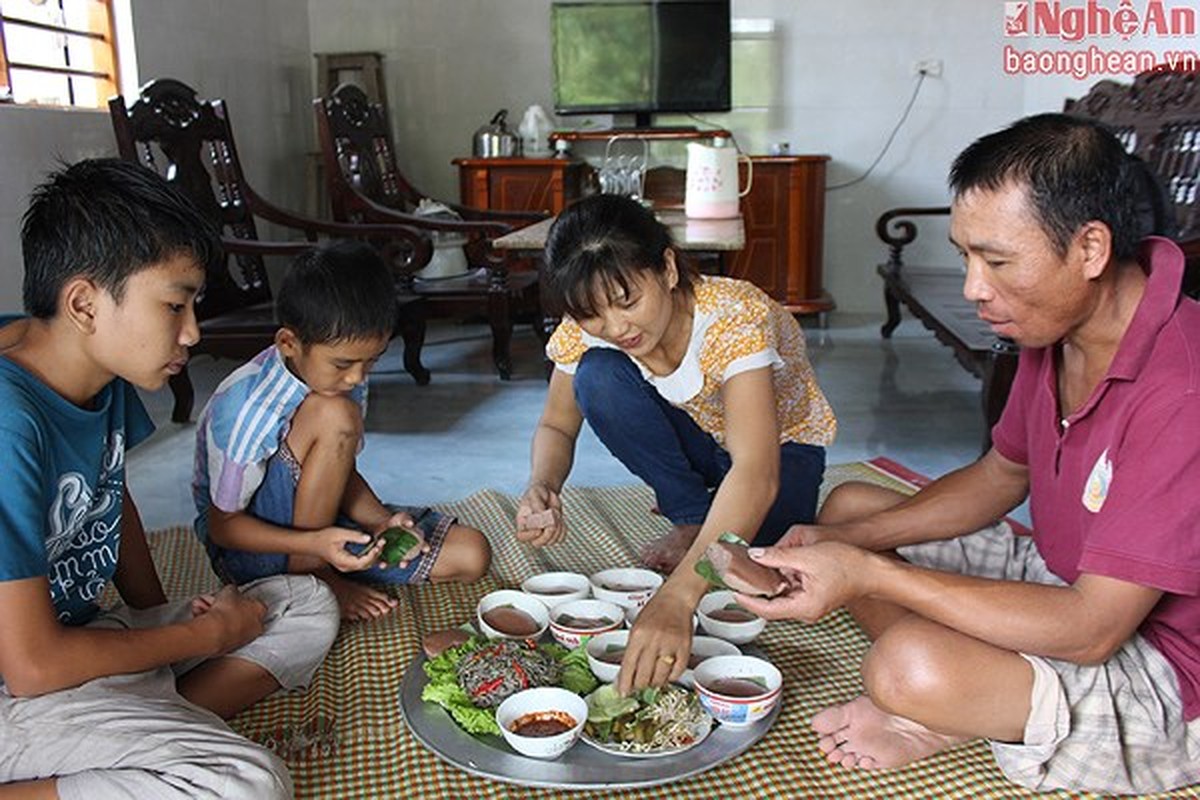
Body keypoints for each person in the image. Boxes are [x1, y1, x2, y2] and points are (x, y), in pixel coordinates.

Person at [736, 113, 1200, 795]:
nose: (974, 287)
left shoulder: (1182, 385)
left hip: (1164, 672)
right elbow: (999, 475)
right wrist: (843, 539)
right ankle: (983, 693)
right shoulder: (1058, 328)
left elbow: (1094, 629)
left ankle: (946, 710)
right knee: (852, 505)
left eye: (998, 261)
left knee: (907, 667)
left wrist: (867, 573)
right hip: (1064, 579)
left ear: (1091, 249)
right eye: (965, 257)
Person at [0, 158, 340, 798]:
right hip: (19, 679)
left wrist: (155, 623)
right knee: (243, 781)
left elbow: (110, 496)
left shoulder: (91, 368)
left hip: (76, 642)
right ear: (83, 303)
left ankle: (138, 731)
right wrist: (201, 635)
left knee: (302, 600)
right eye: (174, 303)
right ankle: (141, 747)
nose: (191, 330)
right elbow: (31, 664)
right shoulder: (8, 423)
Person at [516, 194, 836, 691]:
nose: (616, 327)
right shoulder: (590, 323)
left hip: (781, 452)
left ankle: (704, 531)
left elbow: (756, 471)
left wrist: (680, 596)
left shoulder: (732, 317)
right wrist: (542, 484)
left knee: (758, 567)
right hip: (698, 437)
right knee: (598, 377)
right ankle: (692, 517)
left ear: (666, 268)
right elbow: (558, 424)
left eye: (628, 302)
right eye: (592, 314)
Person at [193, 240, 491, 622]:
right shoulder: (249, 407)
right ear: (289, 342)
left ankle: (322, 563)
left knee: (471, 553)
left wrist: (381, 521)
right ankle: (312, 575)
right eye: (344, 364)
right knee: (336, 414)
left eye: (371, 361)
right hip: (248, 548)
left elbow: (337, 468)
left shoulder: (343, 378)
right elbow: (224, 528)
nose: (356, 377)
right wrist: (315, 547)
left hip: (317, 528)